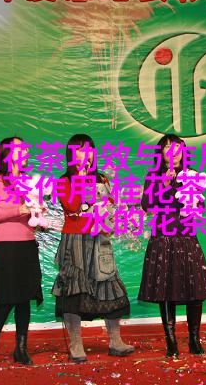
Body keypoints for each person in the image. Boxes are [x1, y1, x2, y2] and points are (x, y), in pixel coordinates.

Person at [51, 134, 135, 363]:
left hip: (100, 239)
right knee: (75, 291)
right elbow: (71, 206)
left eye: (89, 149)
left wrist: (107, 210)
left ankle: (115, 341)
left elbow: (111, 203)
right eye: (80, 150)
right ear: (72, 154)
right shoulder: (64, 181)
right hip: (75, 241)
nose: (86, 154)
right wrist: (81, 179)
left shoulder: (101, 178)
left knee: (109, 286)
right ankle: (76, 344)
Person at [138, 134, 206, 357]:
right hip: (164, 237)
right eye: (168, 147)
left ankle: (194, 339)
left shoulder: (192, 174)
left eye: (178, 147)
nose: (173, 152)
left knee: (195, 289)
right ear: (160, 152)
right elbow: (147, 205)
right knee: (166, 290)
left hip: (187, 236)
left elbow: (200, 204)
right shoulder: (154, 176)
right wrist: (164, 184)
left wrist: (195, 203)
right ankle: (171, 342)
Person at [0, 136, 43, 367]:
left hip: (27, 243)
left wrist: (38, 210)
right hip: (7, 245)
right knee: (6, 300)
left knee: (24, 299)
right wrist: (18, 209)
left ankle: (21, 348)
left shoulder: (28, 181)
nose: (26, 152)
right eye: (21, 148)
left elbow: (32, 211)